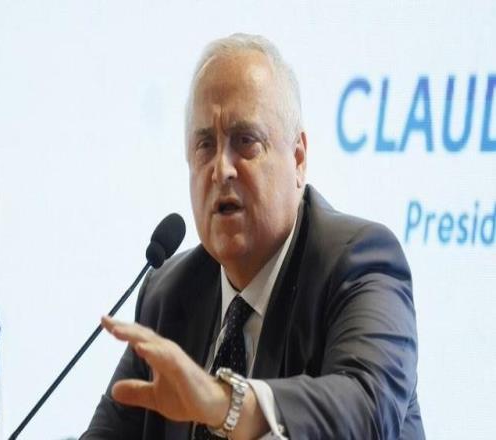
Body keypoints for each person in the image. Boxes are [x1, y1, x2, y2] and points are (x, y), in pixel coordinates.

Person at [82, 34, 425, 439]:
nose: (221, 170)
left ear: (298, 158)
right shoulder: (169, 294)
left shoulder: (359, 264)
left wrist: (223, 403)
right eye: (205, 145)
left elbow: (366, 408)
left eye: (246, 141)